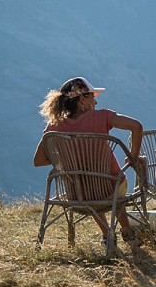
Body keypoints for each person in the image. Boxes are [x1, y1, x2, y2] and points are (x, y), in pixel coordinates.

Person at [33, 76, 144, 248]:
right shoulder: (102, 117)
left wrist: (64, 156)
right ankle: (128, 234)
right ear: (83, 98)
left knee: (87, 186)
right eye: (93, 97)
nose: (96, 103)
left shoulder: (53, 127)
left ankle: (108, 234)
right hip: (110, 189)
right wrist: (133, 158)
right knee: (114, 183)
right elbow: (137, 126)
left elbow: (38, 161)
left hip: (76, 195)